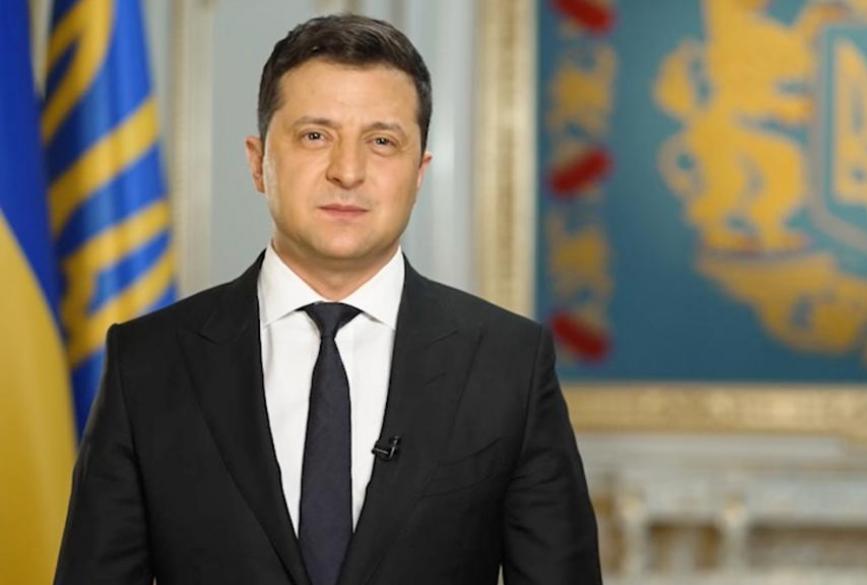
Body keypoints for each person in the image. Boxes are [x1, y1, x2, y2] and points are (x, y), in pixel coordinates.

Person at [53, 13, 602, 585]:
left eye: (382, 142)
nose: (348, 171)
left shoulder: (509, 363)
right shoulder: (147, 361)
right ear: (258, 162)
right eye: (315, 136)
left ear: (419, 173)